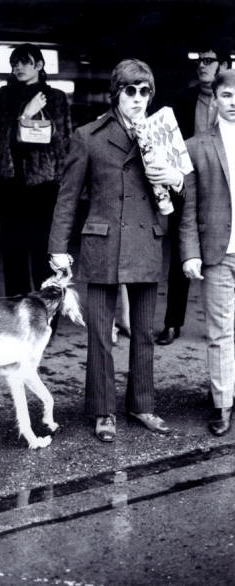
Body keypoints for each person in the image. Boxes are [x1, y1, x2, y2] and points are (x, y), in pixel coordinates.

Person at [48, 59, 184, 442]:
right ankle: (102, 411)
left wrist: (173, 178)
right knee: (101, 334)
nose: (138, 99)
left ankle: (142, 405)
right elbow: (68, 198)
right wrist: (58, 248)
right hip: (103, 241)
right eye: (131, 91)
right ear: (116, 93)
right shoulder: (88, 136)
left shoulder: (162, 132)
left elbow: (183, 188)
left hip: (146, 240)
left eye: (145, 92)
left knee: (143, 332)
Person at [0, 43, 72, 296]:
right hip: (12, 184)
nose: (18, 67)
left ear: (39, 66)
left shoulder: (56, 98)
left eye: (24, 62)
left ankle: (46, 315)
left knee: (43, 252)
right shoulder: (4, 96)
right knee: (13, 254)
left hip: (45, 186)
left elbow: (63, 143)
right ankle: (16, 314)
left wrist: (68, 187)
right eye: (14, 63)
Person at [156, 47, 230, 345]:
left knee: (226, 257)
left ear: (224, 64)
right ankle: (173, 323)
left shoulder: (231, 98)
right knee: (180, 255)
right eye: (198, 61)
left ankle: (226, 326)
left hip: (224, 187)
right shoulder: (184, 100)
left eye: (209, 61)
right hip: (188, 183)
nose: (202, 66)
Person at [179, 69, 235, 437]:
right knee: (219, 332)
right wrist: (189, 252)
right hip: (217, 252)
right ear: (214, 99)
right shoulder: (197, 145)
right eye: (228, 95)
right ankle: (223, 403)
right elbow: (188, 208)